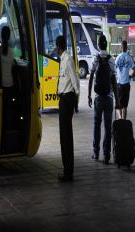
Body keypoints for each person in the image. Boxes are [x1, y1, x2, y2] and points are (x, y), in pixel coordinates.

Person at [87, 35, 117, 164]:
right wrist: (118, 99)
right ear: (107, 45)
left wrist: (89, 95)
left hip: (98, 98)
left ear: (99, 45)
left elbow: (91, 77)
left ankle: (96, 152)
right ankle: (106, 156)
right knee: (107, 126)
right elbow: (114, 80)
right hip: (109, 98)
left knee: (96, 125)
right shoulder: (111, 60)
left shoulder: (95, 59)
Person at [56, 35, 79, 182]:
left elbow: (74, 80)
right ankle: (66, 170)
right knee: (63, 136)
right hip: (63, 99)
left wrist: (75, 100)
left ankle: (68, 172)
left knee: (66, 137)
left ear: (59, 47)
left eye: (56, 47)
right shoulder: (62, 60)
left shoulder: (68, 60)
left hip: (68, 99)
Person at [115, 40, 135, 120]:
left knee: (118, 105)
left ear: (121, 47)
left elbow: (114, 71)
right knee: (125, 105)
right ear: (127, 48)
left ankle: (120, 118)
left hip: (119, 84)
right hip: (126, 84)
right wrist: (130, 76)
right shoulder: (129, 58)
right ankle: (123, 121)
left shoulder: (117, 58)